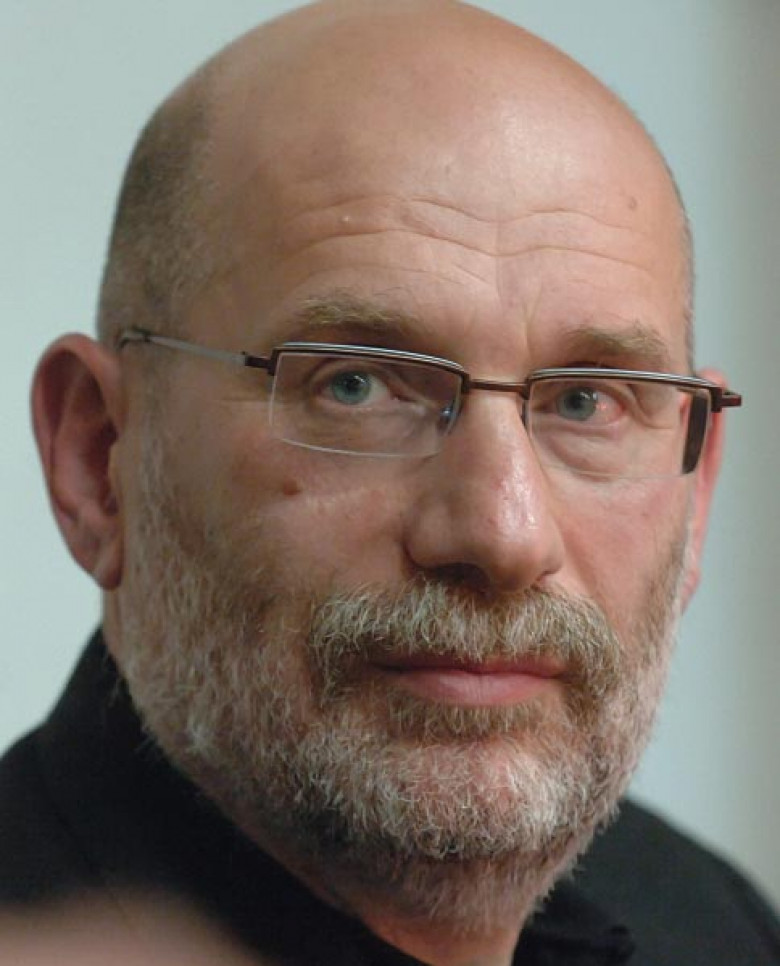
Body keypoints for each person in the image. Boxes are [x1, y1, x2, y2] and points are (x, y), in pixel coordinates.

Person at [1, 1, 777, 963]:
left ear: (696, 498)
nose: (503, 533)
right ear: (98, 459)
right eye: (357, 386)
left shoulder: (713, 925)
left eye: (586, 402)